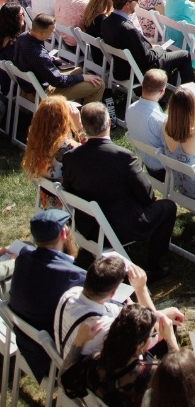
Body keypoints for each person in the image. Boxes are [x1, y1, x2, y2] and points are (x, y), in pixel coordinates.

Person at [61, 102, 178, 282]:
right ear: (108, 123)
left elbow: (69, 190)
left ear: (83, 126)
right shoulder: (122, 156)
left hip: (89, 226)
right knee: (168, 207)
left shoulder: (70, 158)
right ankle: (152, 265)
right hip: (120, 227)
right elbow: (147, 195)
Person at [85, 303, 180, 407]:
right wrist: (170, 339)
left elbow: (64, 379)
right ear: (140, 345)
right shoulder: (150, 374)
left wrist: (79, 343)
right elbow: (181, 380)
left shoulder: (96, 364)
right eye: (151, 335)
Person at [55, 253, 182, 361]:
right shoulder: (104, 327)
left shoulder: (71, 294)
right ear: (113, 293)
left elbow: (118, 310)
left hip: (65, 356)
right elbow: (150, 333)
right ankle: (168, 377)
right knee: (165, 334)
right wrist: (141, 289)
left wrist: (159, 313)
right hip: (93, 379)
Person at [8, 208, 85, 380]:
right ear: (64, 234)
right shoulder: (74, 276)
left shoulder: (23, 259)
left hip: (29, 347)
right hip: (58, 358)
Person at [101, 0, 195, 88]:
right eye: (136, 0)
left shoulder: (106, 22)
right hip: (138, 71)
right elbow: (148, 59)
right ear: (127, 4)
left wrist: (150, 47)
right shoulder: (128, 29)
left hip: (121, 69)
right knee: (184, 55)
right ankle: (190, 94)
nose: (138, 3)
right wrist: (160, 49)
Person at [14, 13, 106, 101]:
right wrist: (82, 77)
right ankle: (89, 116)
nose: (53, 32)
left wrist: (55, 61)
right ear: (41, 33)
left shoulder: (23, 37)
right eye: (51, 32)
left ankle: (75, 108)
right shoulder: (38, 55)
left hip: (29, 86)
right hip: (42, 93)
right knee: (98, 85)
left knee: (77, 70)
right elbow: (58, 81)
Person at [22, 94, 84, 204]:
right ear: (62, 120)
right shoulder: (67, 147)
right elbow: (93, 156)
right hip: (68, 204)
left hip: (47, 200)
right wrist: (79, 128)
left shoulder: (36, 142)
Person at [126, 68, 169, 178]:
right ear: (162, 91)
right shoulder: (160, 120)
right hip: (164, 170)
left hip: (148, 165)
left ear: (142, 84)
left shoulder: (130, 109)